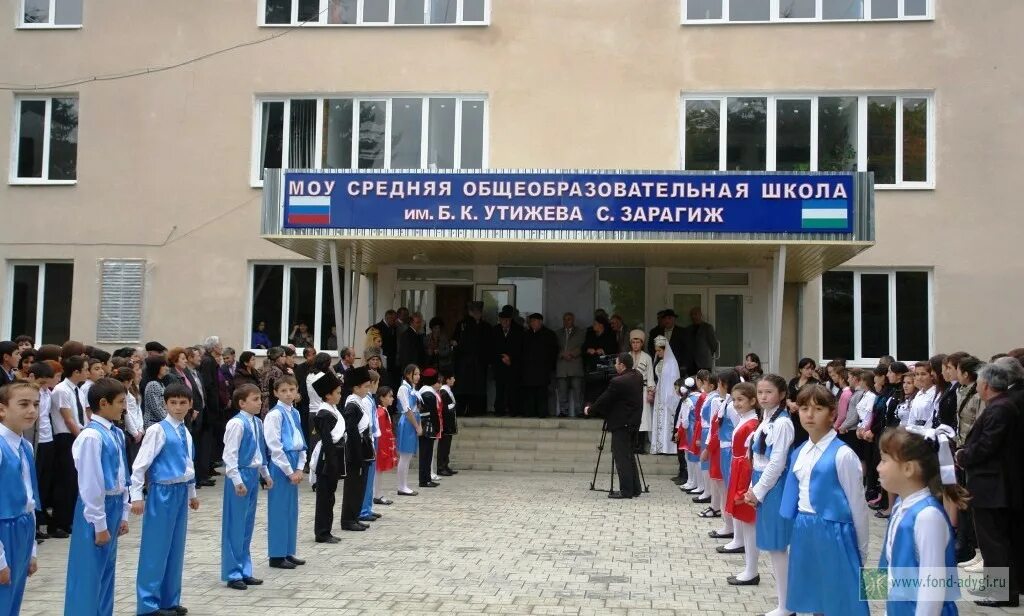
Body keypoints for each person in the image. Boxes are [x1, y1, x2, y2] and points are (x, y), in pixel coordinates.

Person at [780, 384, 870, 616]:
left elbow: (858, 506)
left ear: (832, 414)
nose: (809, 415)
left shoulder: (843, 454)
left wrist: (861, 550)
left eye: (818, 408)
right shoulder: (799, 452)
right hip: (804, 529)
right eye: (804, 408)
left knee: (839, 598)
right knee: (813, 595)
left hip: (835, 533)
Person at [877, 426, 964, 615]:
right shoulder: (901, 505)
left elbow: (932, 588)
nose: (878, 467)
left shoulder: (927, 517)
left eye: (884, 461)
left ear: (908, 468)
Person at [130, 382, 200, 616]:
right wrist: (137, 496)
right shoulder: (157, 430)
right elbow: (140, 465)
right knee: (155, 548)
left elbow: (188, 465)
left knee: (175, 548)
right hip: (162, 492)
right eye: (173, 403)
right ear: (165, 404)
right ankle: (148, 604)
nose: (178, 407)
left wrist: (192, 494)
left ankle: (169, 599)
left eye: (183, 403)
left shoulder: (185, 431)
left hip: (180, 492)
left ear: (190, 404)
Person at [955, 362, 1021, 606]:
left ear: (987, 385)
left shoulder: (1000, 409)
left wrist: (963, 456)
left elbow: (987, 445)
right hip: (990, 483)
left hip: (993, 485)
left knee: (994, 541)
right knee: (995, 540)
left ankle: (1002, 592)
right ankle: (1001, 587)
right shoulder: (1000, 406)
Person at [64, 378, 131, 616]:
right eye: (121, 402)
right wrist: (99, 523)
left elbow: (123, 475)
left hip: (112, 504)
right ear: (103, 403)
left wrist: (124, 512)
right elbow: (90, 484)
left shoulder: (115, 433)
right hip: (95, 509)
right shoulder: (91, 436)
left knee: (106, 571)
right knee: (89, 572)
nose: (125, 407)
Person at [743, 374, 795, 616]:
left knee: (777, 547)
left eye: (769, 392)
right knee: (773, 547)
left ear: (782, 395)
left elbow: (776, 463)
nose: (763, 397)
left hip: (773, 486)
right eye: (760, 392)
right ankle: (784, 602)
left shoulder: (782, 423)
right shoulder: (766, 419)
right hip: (762, 482)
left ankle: (785, 605)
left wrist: (758, 491)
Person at [221, 383, 271, 590]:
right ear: (241, 403)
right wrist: (237, 480)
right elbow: (230, 454)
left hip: (252, 473)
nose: (259, 403)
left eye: (260, 399)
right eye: (255, 399)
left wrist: (265, 474)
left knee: (247, 525)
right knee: (235, 524)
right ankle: (233, 572)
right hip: (240, 475)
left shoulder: (257, 423)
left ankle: (244, 568)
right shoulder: (236, 424)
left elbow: (259, 452)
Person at [0, 381, 41, 616]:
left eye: (36, 404)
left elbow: (30, 499)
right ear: (2, 409)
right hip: (4, 529)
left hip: (23, 527)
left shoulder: (25, 446)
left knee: (14, 598)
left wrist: (32, 549)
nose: (32, 411)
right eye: (24, 404)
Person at [585, 353, 643, 499]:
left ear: (622, 365)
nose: (615, 366)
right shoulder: (637, 376)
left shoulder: (618, 381)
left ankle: (626, 491)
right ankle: (635, 488)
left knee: (621, 457)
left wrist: (590, 410)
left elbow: (604, 399)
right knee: (629, 455)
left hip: (621, 423)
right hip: (634, 421)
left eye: (616, 364)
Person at [263, 376, 306, 569]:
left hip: (294, 460)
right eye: (284, 390)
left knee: (291, 509)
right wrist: (289, 471)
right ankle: (277, 554)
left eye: (291, 389)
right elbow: (274, 446)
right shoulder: (275, 415)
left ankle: (288, 550)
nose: (288, 394)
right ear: (276, 393)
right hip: (281, 464)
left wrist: (300, 467)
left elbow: (300, 440)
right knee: (279, 509)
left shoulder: (295, 413)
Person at [722, 381, 760, 586]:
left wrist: (743, 486)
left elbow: (749, 459)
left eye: (741, 400)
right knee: (745, 522)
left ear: (752, 401)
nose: (736, 404)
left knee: (749, 522)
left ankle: (752, 569)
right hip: (738, 469)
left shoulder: (752, 425)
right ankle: (749, 567)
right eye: (734, 400)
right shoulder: (745, 421)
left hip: (744, 474)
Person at [50, 355, 89, 538]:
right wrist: (80, 438)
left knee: (74, 481)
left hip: (78, 434)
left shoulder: (77, 390)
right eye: (85, 369)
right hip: (66, 437)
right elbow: (68, 419)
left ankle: (69, 520)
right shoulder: (61, 390)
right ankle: (59, 522)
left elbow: (82, 416)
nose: (87, 372)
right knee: (64, 482)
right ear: (76, 371)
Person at [310, 370, 345, 543]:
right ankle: (322, 532)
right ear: (328, 395)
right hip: (327, 456)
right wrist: (332, 462)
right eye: (337, 393)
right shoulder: (324, 414)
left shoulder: (333, 409)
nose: (340, 395)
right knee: (324, 496)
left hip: (335, 454)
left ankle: (327, 530)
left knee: (330, 495)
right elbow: (326, 440)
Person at [26, 362, 58, 541]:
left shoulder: (48, 393)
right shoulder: (28, 396)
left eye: (46, 383)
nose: (43, 386)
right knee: (33, 480)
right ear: (31, 377)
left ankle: (40, 521)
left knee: (44, 483)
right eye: (40, 382)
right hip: (34, 440)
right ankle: (35, 524)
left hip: (48, 439)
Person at [340, 367, 373, 531]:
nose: (368, 389)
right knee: (353, 485)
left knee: (360, 485)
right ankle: (348, 519)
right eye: (366, 386)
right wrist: (357, 454)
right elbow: (352, 431)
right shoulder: (352, 405)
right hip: (355, 450)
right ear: (356, 388)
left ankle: (355, 515)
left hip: (363, 447)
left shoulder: (359, 402)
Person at [520, 313, 558, 418]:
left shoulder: (549, 334)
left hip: (542, 370)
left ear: (540, 322)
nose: (531, 323)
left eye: (534, 321)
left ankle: (542, 413)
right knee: (529, 393)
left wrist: (549, 367)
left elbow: (553, 352)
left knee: (542, 393)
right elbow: (522, 351)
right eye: (530, 321)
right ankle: (529, 413)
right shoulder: (526, 334)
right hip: (528, 370)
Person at [680, 370, 711, 494]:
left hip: (693, 429)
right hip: (700, 427)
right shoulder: (704, 396)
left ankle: (694, 482)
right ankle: (698, 484)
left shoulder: (689, 400)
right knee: (698, 458)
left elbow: (685, 421)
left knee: (692, 457)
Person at [358, 370, 383, 524]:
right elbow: (368, 423)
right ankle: (363, 509)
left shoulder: (370, 399)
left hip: (374, 436)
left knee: (371, 476)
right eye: (377, 383)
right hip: (370, 438)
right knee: (367, 478)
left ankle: (368, 506)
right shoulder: (366, 401)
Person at [395, 365, 422, 497]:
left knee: (408, 455)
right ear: (408, 374)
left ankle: (404, 485)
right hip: (407, 422)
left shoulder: (413, 389)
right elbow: (407, 410)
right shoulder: (403, 389)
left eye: (418, 374)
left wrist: (419, 424)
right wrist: (417, 426)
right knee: (404, 456)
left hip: (414, 420)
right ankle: (401, 486)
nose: (418, 376)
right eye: (415, 374)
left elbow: (417, 408)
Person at [491, 307, 523, 417]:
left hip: (513, 365)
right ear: (499, 320)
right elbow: (491, 347)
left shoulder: (518, 330)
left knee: (512, 388)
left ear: (511, 320)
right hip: (499, 365)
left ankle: (513, 410)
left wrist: (511, 359)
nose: (505, 322)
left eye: (508, 319)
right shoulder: (495, 330)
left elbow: (520, 348)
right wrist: (501, 358)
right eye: (503, 319)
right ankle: (499, 410)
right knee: (500, 388)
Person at [554, 312, 585, 418]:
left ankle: (579, 411)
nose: (567, 321)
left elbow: (583, 347)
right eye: (565, 319)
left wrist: (572, 353)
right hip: (562, 366)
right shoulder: (557, 333)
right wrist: (561, 353)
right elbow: (553, 348)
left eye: (569, 319)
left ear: (573, 320)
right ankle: (563, 411)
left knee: (578, 390)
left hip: (575, 365)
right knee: (562, 391)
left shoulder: (580, 332)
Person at [582, 315, 618, 406]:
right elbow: (583, 347)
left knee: (603, 387)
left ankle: (602, 411)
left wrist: (603, 351)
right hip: (592, 365)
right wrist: (588, 350)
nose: (593, 325)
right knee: (590, 388)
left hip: (605, 365)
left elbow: (614, 349)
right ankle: (588, 410)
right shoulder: (590, 333)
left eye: (595, 324)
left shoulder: (610, 334)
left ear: (601, 325)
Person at [114, 367, 145, 470]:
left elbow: (138, 410)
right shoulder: (122, 394)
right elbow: (127, 413)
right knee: (130, 463)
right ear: (127, 381)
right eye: (131, 381)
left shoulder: (131, 392)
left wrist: (140, 429)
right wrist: (134, 432)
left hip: (137, 429)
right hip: (129, 431)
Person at [417, 369, 443, 488]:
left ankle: (426, 478)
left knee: (426, 453)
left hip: (425, 425)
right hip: (428, 426)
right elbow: (433, 413)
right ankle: (424, 480)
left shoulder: (423, 391)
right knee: (426, 454)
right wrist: (437, 427)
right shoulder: (429, 394)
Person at [648, 335, 673, 455]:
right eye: (656, 351)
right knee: (658, 418)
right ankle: (658, 446)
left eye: (659, 350)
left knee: (666, 418)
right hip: (659, 392)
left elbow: (672, 380)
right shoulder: (659, 362)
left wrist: (667, 394)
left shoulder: (671, 363)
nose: (657, 353)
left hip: (667, 393)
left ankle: (667, 447)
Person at [372, 386, 398, 503]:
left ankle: (377, 494)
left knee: (379, 472)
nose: (392, 398)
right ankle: (376, 495)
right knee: (378, 471)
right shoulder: (381, 413)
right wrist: (382, 450)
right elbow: (380, 434)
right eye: (390, 396)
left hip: (384, 445)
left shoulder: (383, 411)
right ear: (382, 398)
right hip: (381, 446)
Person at [786, 357, 819, 447]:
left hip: (806, 414)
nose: (810, 371)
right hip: (793, 415)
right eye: (807, 368)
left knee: (804, 439)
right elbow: (788, 396)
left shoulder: (815, 383)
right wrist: (790, 404)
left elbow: (813, 399)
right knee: (793, 439)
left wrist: (798, 406)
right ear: (801, 369)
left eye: (812, 369)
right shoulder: (793, 381)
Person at [436, 372, 458, 476]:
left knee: (447, 445)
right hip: (445, 423)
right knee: (443, 445)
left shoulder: (447, 390)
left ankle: (445, 465)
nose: (454, 380)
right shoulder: (444, 391)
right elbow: (443, 408)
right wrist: (452, 407)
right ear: (448, 380)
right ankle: (441, 467)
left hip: (449, 423)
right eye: (452, 378)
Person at [686, 307, 719, 375]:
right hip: (691, 363)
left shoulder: (707, 327)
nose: (693, 316)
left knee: (705, 381)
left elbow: (714, 344)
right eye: (692, 314)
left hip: (704, 362)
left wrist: (708, 353)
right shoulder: (688, 329)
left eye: (695, 314)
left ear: (700, 315)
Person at [260, 347, 288, 415]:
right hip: (272, 404)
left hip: (265, 404)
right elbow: (277, 390)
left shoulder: (266, 368)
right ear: (279, 357)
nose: (285, 358)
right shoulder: (277, 371)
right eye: (284, 356)